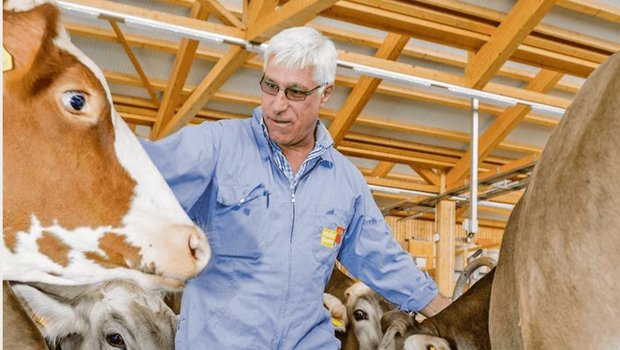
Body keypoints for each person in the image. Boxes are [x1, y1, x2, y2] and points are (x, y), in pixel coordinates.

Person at [141, 26, 450, 350]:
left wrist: (448, 311)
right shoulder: (215, 148)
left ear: (325, 93)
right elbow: (134, 175)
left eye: (295, 92)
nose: (276, 105)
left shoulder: (343, 182)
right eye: (270, 86)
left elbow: (382, 259)